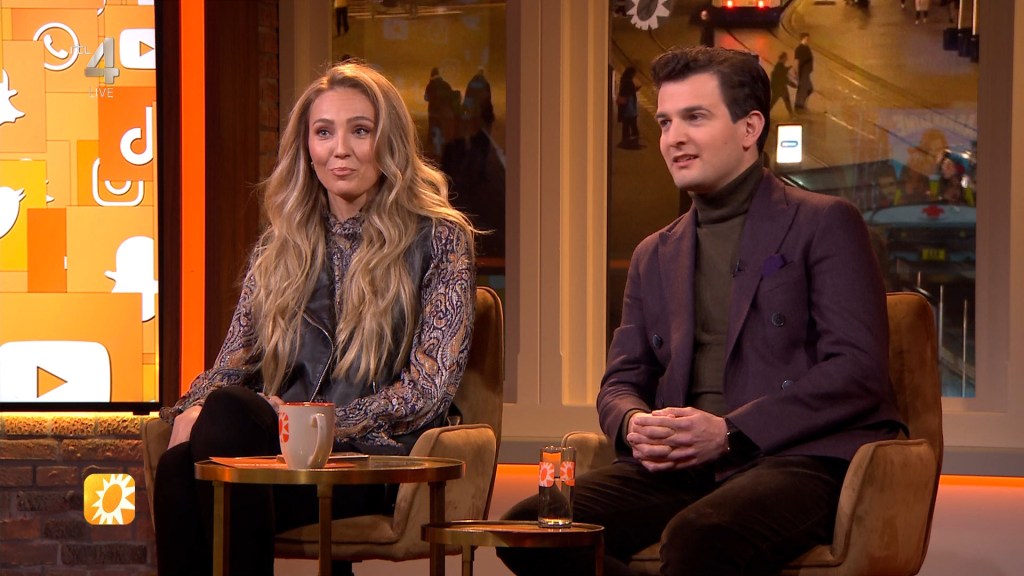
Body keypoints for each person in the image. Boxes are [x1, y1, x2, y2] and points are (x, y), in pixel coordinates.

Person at [497, 45, 903, 575]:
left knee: (700, 536)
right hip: (682, 468)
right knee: (530, 529)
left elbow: (858, 371)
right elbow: (621, 381)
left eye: (695, 117)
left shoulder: (825, 222)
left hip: (794, 457)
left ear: (749, 128)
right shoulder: (653, 253)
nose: (674, 138)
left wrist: (730, 431)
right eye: (666, 122)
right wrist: (634, 422)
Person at [153, 60, 477, 576]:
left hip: (370, 461)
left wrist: (306, 423)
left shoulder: (439, 238)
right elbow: (232, 364)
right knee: (185, 457)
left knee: (211, 441)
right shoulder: (280, 247)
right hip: (282, 462)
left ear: (389, 142)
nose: (339, 149)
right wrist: (190, 411)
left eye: (360, 131)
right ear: (306, 147)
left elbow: (428, 389)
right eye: (324, 132)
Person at [424, 66, 458, 158]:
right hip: (445, 112)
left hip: (433, 112)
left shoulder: (430, 85)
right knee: (443, 129)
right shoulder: (446, 84)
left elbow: (426, 98)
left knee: (435, 129)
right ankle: (444, 148)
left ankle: (437, 150)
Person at [617, 66, 641, 148]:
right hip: (628, 104)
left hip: (626, 105)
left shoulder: (624, 80)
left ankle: (626, 141)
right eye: (633, 74)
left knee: (626, 124)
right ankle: (633, 141)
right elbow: (628, 91)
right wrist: (635, 89)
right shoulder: (628, 81)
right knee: (632, 123)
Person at [769, 51, 795, 117]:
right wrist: (792, 84)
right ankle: (791, 114)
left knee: (774, 101)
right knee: (786, 100)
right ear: (783, 58)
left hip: (777, 87)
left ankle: (765, 113)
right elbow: (783, 78)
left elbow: (782, 71)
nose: (786, 60)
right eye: (785, 58)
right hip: (780, 87)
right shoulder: (779, 66)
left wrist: (788, 68)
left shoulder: (779, 65)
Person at [794, 32, 814, 110]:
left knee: (806, 88)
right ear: (803, 39)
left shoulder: (807, 48)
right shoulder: (799, 49)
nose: (808, 40)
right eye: (807, 39)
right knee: (806, 88)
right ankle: (799, 104)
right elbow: (796, 61)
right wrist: (796, 72)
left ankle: (799, 103)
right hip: (802, 71)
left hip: (806, 72)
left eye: (808, 39)